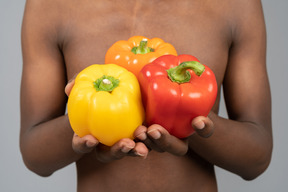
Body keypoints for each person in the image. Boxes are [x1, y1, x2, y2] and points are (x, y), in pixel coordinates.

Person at [20, 0, 272, 191]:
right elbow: (34, 155)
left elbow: (257, 159)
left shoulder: (236, 4)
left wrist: (178, 115)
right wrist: (93, 111)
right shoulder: (50, 5)